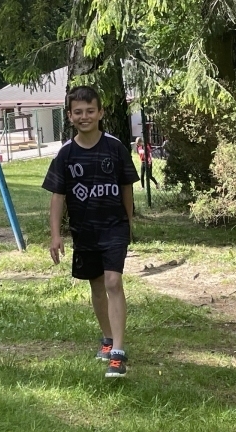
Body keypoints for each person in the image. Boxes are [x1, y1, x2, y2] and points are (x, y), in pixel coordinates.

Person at [42, 85, 140, 378]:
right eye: (78, 112)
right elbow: (57, 197)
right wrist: (56, 235)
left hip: (114, 227)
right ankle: (108, 338)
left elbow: (126, 187)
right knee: (97, 286)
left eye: (90, 111)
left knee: (113, 282)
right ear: (69, 116)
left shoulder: (115, 148)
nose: (84, 117)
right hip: (84, 231)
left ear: (100, 113)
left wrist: (129, 222)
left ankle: (118, 353)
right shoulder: (66, 154)